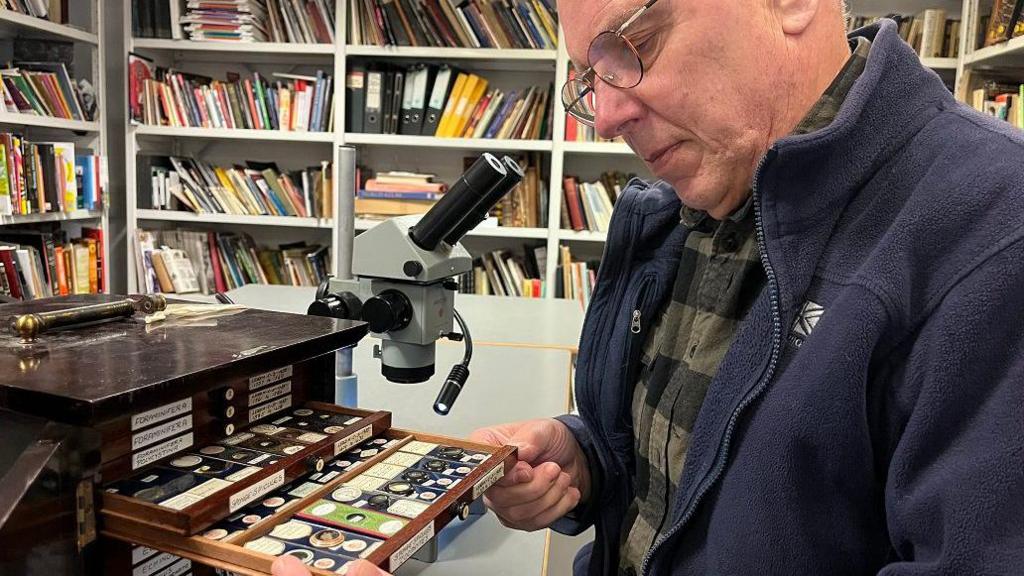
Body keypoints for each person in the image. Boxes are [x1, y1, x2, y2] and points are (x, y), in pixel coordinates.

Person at [275, 0, 1024, 574]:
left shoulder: (995, 230)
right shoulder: (678, 208)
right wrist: (586, 458)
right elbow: (691, 471)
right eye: (587, 78)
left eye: (630, 46)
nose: (604, 116)